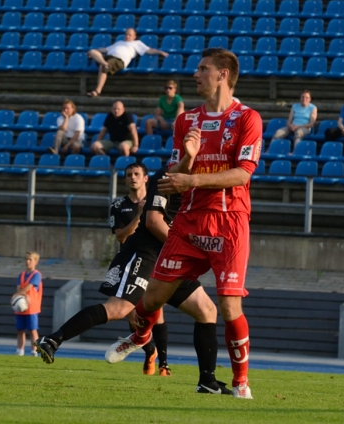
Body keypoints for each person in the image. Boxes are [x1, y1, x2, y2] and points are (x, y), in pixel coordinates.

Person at [104, 47, 263, 400]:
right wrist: (187, 162)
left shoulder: (248, 118)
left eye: (203, 69)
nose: (195, 74)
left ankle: (240, 383)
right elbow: (171, 179)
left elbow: (243, 174)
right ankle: (142, 336)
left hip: (229, 221)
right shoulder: (185, 121)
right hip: (189, 223)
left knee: (228, 305)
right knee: (150, 300)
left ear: (223, 74)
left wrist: (192, 180)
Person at [36, 163, 224, 387]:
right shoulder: (167, 175)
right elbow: (153, 223)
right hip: (144, 254)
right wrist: (189, 248)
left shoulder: (203, 178)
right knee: (119, 309)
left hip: (170, 257)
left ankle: (206, 382)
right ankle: (54, 339)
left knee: (206, 309)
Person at [86, 28, 168, 97]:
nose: (127, 36)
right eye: (126, 34)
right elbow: (105, 49)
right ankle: (105, 64)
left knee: (102, 67)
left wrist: (160, 52)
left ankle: (97, 91)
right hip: (108, 58)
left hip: (119, 60)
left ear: (134, 36)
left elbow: (149, 50)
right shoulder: (119, 42)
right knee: (93, 51)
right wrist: (93, 53)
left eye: (129, 35)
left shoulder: (137, 43)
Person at [14, 251, 42, 357]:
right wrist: (21, 295)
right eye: (26, 259)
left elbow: (28, 287)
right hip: (20, 307)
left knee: (32, 330)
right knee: (20, 330)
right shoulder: (21, 275)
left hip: (32, 307)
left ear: (36, 262)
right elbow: (19, 288)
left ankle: (34, 351)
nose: (28, 262)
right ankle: (20, 350)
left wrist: (17, 295)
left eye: (30, 259)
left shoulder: (37, 275)